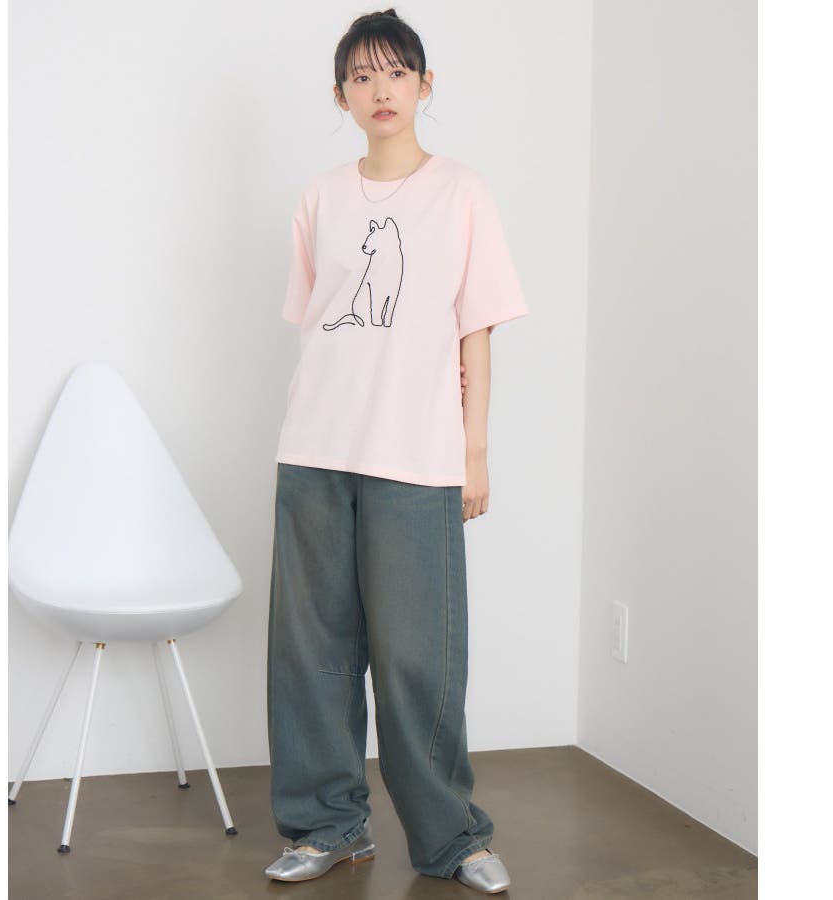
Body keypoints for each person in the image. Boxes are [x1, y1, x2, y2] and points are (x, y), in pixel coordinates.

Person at [264, 8, 528, 894]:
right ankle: (326, 826)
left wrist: (474, 451)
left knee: (421, 658)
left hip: (418, 455)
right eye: (361, 76)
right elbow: (320, 327)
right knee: (312, 652)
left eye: (396, 72)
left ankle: (452, 839)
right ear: (340, 94)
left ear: (425, 84)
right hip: (315, 449)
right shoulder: (321, 198)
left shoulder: (462, 193)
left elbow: (475, 330)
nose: (380, 90)